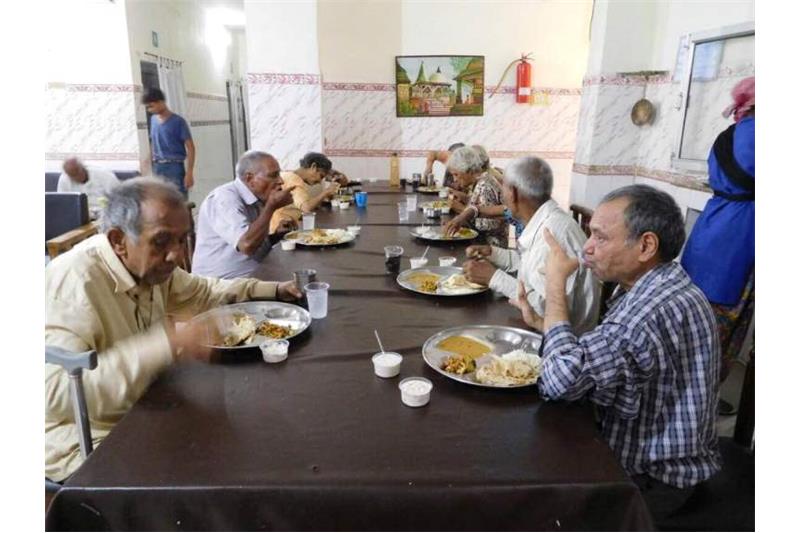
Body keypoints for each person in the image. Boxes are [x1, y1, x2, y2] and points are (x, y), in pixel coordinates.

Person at [45, 177, 302, 482]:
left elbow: (205, 291)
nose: (176, 255)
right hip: (85, 437)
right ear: (117, 240)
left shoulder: (152, 268)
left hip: (143, 405)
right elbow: (55, 395)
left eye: (182, 241)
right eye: (161, 241)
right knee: (209, 474)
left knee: (258, 433)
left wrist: (273, 290)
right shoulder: (74, 282)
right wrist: (165, 344)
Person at [513, 184, 721, 528]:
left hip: (653, 480)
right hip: (669, 456)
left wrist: (554, 285)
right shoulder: (664, 282)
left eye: (599, 237)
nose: (587, 248)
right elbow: (610, 354)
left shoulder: (648, 310)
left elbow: (558, 381)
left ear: (646, 246)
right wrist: (546, 326)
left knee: (526, 484)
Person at [681, 77, 754, 415]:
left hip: (710, 228)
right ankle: (700, 400)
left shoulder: (726, 137)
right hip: (739, 237)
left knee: (691, 318)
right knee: (721, 328)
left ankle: (679, 390)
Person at [463, 156, 599, 334]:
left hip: (563, 342)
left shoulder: (552, 235)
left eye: (502, 188)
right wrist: (493, 253)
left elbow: (547, 309)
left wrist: (494, 278)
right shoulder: (546, 219)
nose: (502, 195)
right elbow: (531, 264)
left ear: (513, 193)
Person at [192, 151, 297, 279]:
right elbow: (246, 245)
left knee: (303, 275)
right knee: (300, 286)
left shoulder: (256, 198)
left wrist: (275, 237)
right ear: (249, 179)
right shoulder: (224, 199)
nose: (280, 181)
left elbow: (254, 246)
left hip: (249, 276)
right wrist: (271, 207)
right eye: (273, 175)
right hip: (222, 284)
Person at [442, 146, 508, 247]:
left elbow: (486, 225)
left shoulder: (485, 185)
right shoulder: (482, 180)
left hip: (490, 247)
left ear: (468, 171)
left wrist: (461, 210)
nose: (454, 179)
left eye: (456, 174)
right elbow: (482, 204)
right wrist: (465, 199)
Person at [141, 88, 195, 197]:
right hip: (158, 166)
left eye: (151, 106)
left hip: (174, 167)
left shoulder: (178, 122)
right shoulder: (153, 120)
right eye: (147, 107)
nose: (149, 110)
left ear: (161, 102)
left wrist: (189, 173)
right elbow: (154, 142)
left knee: (178, 200)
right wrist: (147, 160)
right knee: (161, 199)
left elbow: (191, 148)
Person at [270, 152, 341, 232]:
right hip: (279, 229)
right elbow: (306, 207)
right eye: (321, 176)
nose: (319, 181)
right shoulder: (294, 179)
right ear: (313, 166)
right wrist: (326, 192)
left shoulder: (288, 174)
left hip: (278, 227)